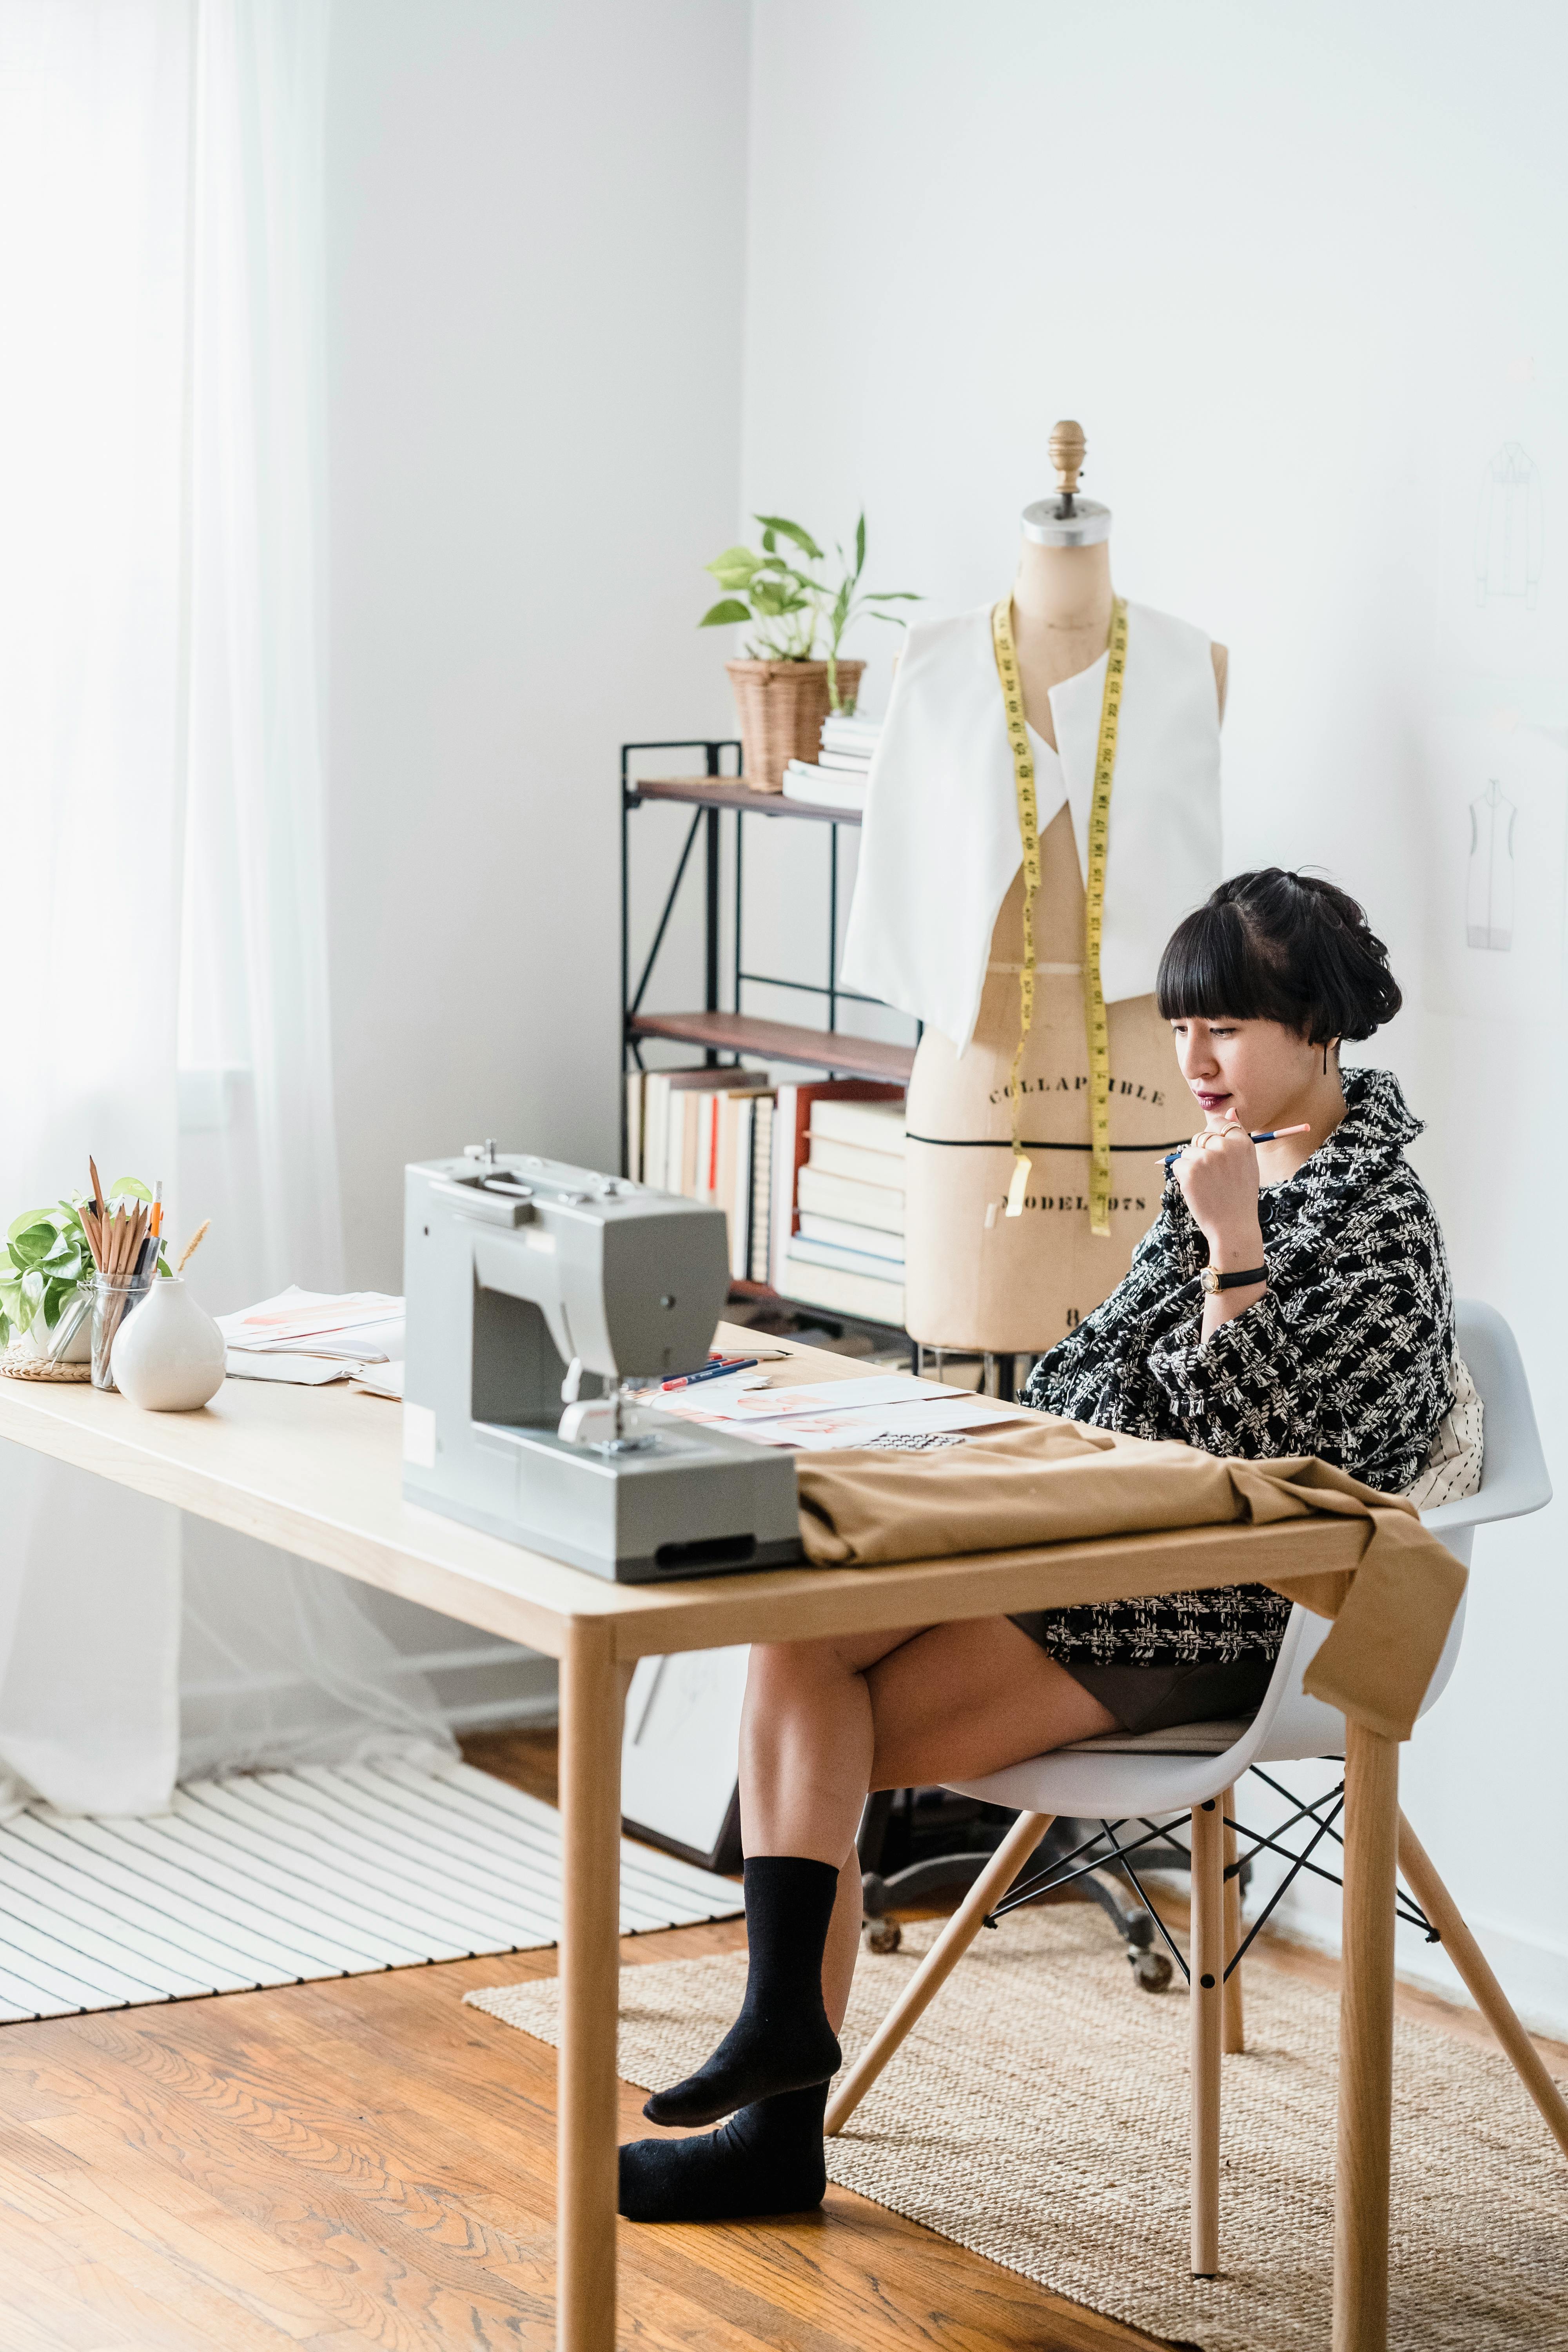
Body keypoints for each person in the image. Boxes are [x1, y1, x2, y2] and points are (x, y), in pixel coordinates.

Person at [618, 869, 1462, 2225]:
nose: (1194, 1061)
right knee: (800, 1625)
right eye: (1184, 1028)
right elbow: (1082, 1375)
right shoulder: (1216, 1169)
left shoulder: (1379, 1218)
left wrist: (1233, 1250)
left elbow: (1311, 1481)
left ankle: (779, 2115)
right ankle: (782, 2041)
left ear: (1321, 1030)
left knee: (821, 1735)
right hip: (1094, 1548)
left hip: (1226, 1613)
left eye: (1229, 1029)